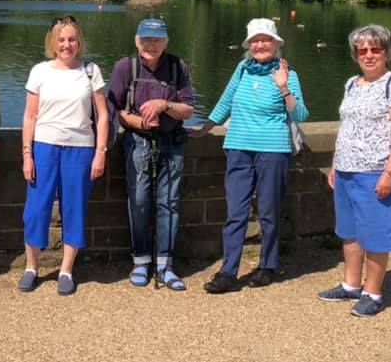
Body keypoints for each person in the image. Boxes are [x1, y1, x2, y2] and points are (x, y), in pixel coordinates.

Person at [192, 18, 308, 294]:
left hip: (273, 150)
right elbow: (226, 100)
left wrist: (283, 87)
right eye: (255, 40)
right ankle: (228, 272)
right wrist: (205, 127)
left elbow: (300, 114)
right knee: (236, 212)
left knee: (268, 212)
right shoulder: (242, 69)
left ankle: (267, 266)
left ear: (276, 43)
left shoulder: (287, 73)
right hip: (239, 147)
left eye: (265, 39)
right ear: (248, 45)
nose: (260, 44)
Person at [318, 25, 391, 317]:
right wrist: (336, 163)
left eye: (376, 49)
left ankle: (373, 293)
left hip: (375, 171)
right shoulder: (351, 83)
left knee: (375, 234)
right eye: (363, 50)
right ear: (355, 54)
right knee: (350, 232)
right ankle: (350, 285)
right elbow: (347, 128)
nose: (369, 55)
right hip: (347, 170)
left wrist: (390, 173)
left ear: (386, 52)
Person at [19, 16, 109, 296]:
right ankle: (31, 267)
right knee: (36, 210)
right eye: (61, 40)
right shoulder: (39, 71)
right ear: (53, 43)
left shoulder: (91, 70)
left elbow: (103, 115)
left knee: (74, 208)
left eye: (71, 39)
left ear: (79, 41)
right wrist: (26, 154)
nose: (66, 45)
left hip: (80, 149)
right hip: (44, 146)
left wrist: (100, 153)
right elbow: (30, 116)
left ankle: (66, 270)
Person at [107, 18, 195, 290]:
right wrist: (140, 122)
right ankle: (141, 262)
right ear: (137, 41)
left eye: (157, 40)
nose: (151, 45)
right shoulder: (125, 67)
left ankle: (165, 266)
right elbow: (115, 109)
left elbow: (188, 109)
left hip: (171, 142)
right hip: (137, 142)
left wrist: (164, 104)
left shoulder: (178, 67)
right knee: (139, 202)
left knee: (169, 203)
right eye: (146, 40)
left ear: (165, 42)